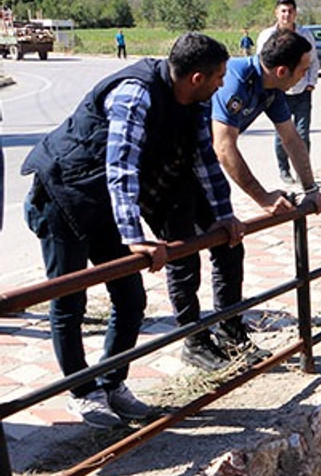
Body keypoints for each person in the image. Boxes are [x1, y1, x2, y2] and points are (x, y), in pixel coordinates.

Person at [21, 33, 244, 426]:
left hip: (102, 201)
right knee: (69, 299)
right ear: (196, 77)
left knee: (130, 297)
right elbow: (121, 166)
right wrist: (135, 236)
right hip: (61, 193)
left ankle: (111, 383)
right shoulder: (135, 94)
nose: (224, 83)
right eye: (219, 76)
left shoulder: (193, 103)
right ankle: (82, 392)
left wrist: (224, 215)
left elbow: (205, 159)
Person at [197, 30, 321, 371]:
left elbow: (291, 138)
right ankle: (196, 341)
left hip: (202, 167)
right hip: (181, 167)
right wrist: (262, 196)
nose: (305, 76)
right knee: (187, 252)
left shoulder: (271, 90)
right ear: (282, 71)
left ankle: (229, 332)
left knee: (229, 246)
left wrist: (311, 191)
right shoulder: (238, 79)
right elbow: (223, 146)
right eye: (303, 69)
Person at [257, 0, 320, 184]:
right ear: (276, 13)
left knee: (303, 133)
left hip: (302, 91)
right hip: (279, 92)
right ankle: (284, 170)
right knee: (282, 133)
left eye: (290, 11)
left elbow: (314, 61)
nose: (287, 15)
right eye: (283, 11)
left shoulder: (305, 34)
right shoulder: (267, 35)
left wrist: (311, 83)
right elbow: (262, 62)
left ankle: (303, 172)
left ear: (295, 13)